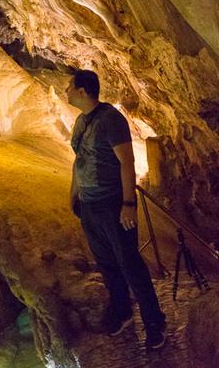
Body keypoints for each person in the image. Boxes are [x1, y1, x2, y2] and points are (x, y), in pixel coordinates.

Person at [66, 69, 166, 349]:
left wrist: (128, 204)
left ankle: (155, 323)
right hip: (89, 205)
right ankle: (122, 313)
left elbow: (127, 162)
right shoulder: (80, 122)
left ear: (84, 91)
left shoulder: (112, 120)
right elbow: (79, 161)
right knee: (108, 266)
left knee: (130, 264)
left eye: (69, 87)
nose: (66, 92)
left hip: (113, 204)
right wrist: (73, 194)